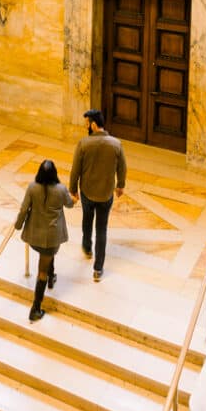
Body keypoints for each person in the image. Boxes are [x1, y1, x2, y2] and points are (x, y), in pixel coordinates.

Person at [69, 109, 126, 282]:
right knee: (102, 229)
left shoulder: (83, 144)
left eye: (87, 124)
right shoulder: (116, 144)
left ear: (93, 125)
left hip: (87, 192)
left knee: (87, 219)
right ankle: (98, 269)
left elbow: (75, 170)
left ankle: (87, 247)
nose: (86, 127)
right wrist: (120, 185)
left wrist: (73, 189)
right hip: (106, 194)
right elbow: (122, 167)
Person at [15, 159, 74, 322]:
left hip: (35, 236)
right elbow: (69, 204)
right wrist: (74, 198)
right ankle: (35, 308)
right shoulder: (61, 189)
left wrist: (18, 225)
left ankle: (51, 276)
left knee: (46, 258)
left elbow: (23, 209)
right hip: (52, 237)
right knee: (42, 270)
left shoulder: (32, 188)